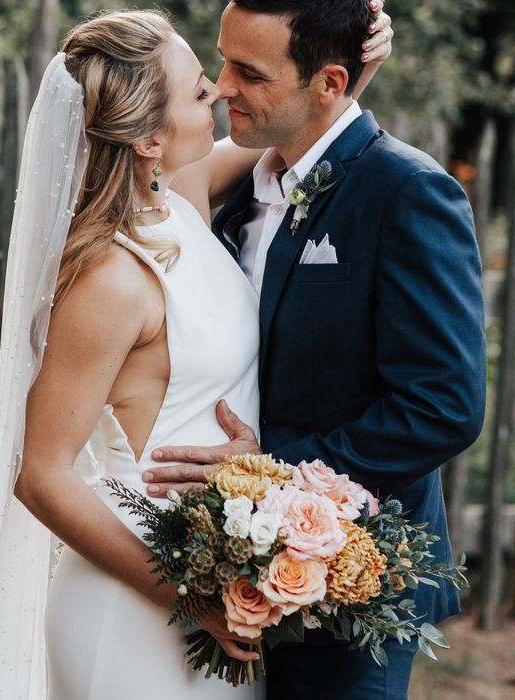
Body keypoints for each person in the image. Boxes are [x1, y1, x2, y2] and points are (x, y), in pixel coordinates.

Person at [0, 6, 392, 699]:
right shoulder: (111, 281)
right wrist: (185, 598)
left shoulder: (180, 200)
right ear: (148, 141)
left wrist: (346, 69)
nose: (222, 90)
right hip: (132, 603)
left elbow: (305, 128)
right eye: (200, 89)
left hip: (217, 590)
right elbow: (42, 475)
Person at [141, 1, 487, 699]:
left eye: (248, 71)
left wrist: (272, 475)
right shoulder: (246, 185)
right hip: (227, 574)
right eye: (222, 58)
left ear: (329, 84)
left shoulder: (407, 193)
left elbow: (444, 405)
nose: (223, 85)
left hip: (352, 580)